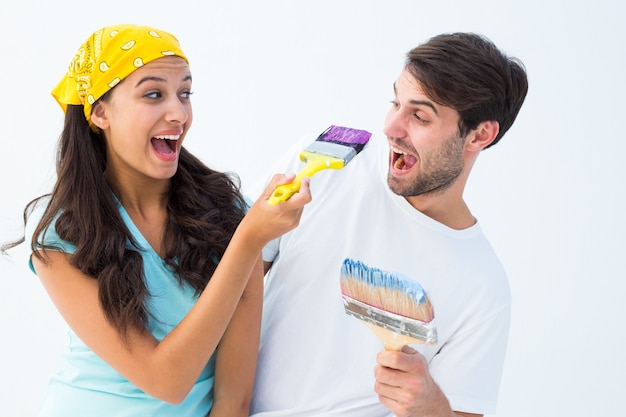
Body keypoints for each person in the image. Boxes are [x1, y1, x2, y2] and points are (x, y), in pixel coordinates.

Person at [1, 24, 310, 417]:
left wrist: (245, 235)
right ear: (100, 112)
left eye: (185, 93)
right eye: (153, 94)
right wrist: (248, 242)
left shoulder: (229, 213)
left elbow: (234, 400)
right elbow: (166, 381)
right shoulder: (61, 232)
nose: (178, 113)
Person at [247, 32, 528, 417]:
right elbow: (228, 282)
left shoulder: (484, 286)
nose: (391, 127)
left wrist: (431, 406)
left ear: (480, 134)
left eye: (420, 115)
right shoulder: (328, 165)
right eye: (395, 102)